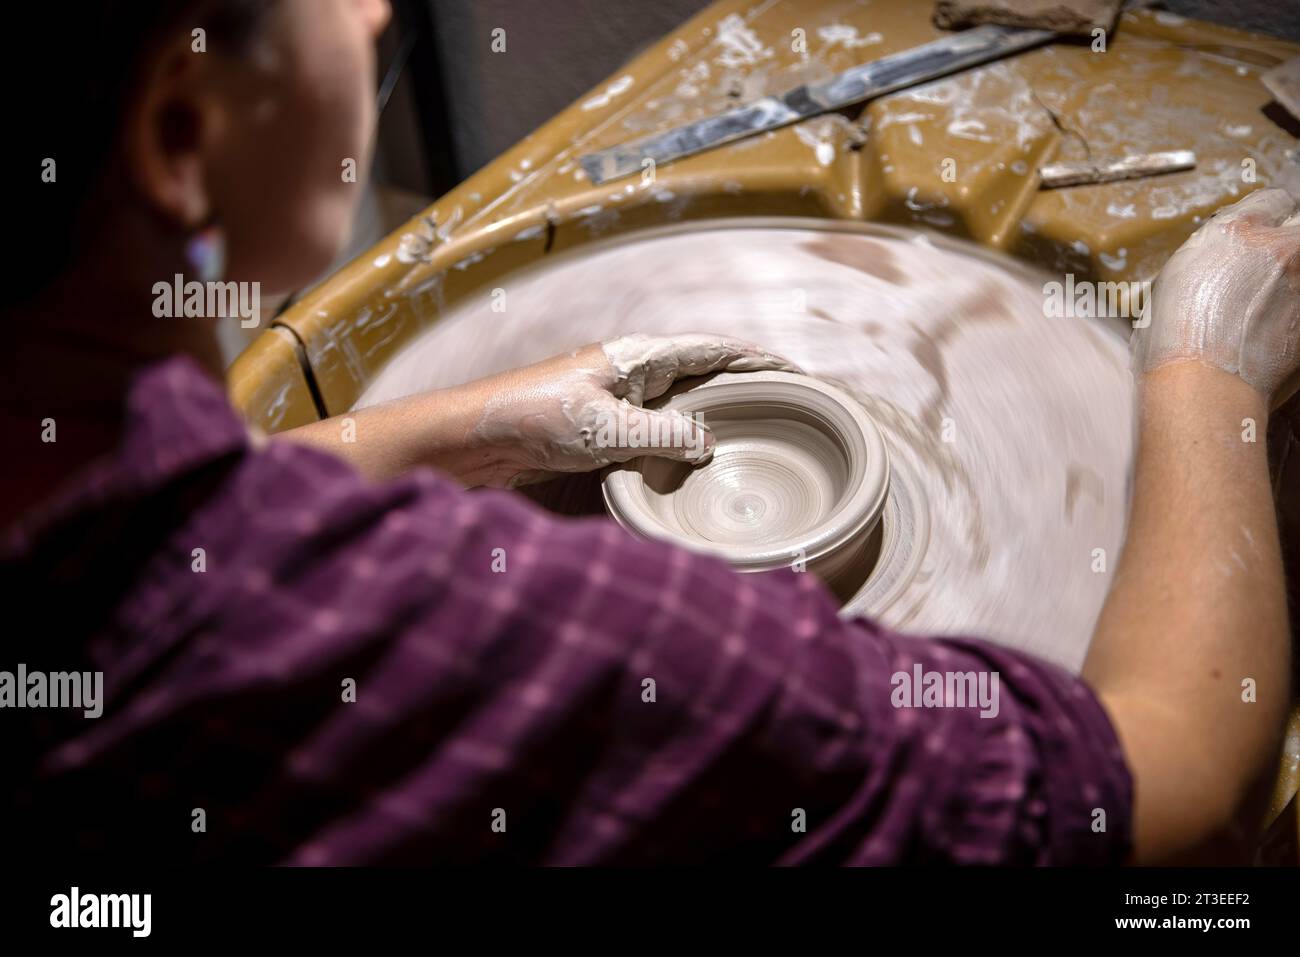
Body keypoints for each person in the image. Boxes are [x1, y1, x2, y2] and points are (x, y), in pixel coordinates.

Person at [2, 0, 1296, 865]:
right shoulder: (562, 646)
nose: (376, 12)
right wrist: (1206, 372)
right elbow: (1165, 792)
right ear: (184, 131)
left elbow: (183, 523)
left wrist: (465, 422)